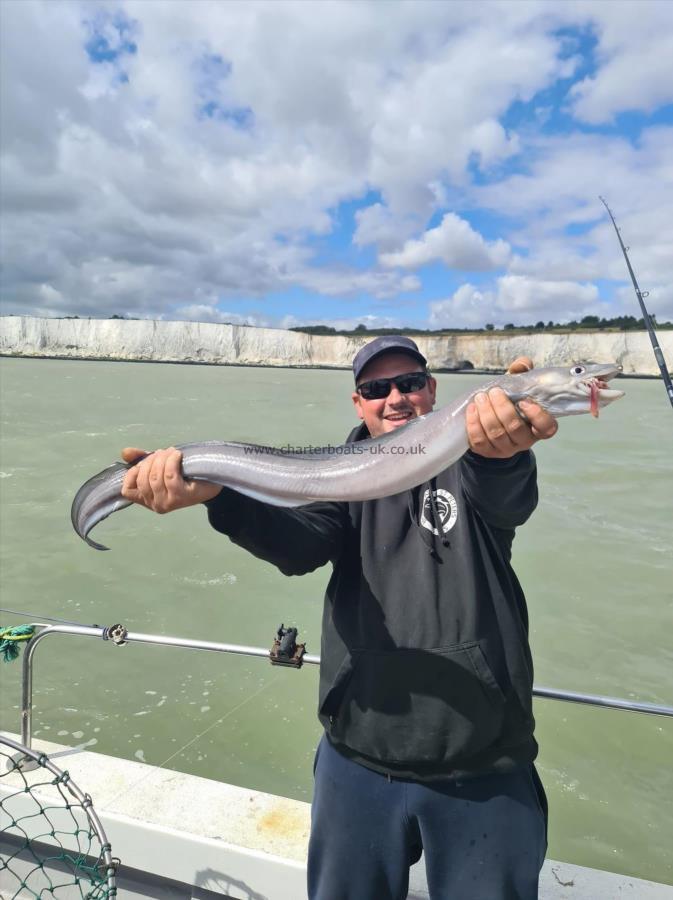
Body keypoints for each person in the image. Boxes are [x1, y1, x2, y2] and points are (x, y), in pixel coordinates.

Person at [120, 336, 558, 900]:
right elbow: (298, 546)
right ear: (359, 403)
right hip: (357, 760)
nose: (395, 398)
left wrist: (505, 453)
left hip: (485, 763)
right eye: (377, 389)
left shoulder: (474, 463)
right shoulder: (336, 475)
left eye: (408, 383)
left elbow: (508, 498)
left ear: (432, 389)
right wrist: (220, 498)